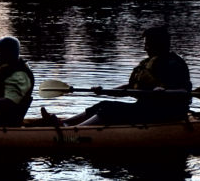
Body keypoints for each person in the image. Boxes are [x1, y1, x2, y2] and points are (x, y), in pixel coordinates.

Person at [64, 26, 192, 126]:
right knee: (102, 104)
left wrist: (165, 92)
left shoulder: (174, 65)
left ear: (158, 44)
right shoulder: (149, 63)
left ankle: (72, 132)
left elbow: (184, 91)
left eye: (147, 44)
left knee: (109, 110)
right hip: (146, 109)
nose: (145, 49)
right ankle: (64, 123)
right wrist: (104, 91)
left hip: (166, 113)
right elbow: (130, 88)